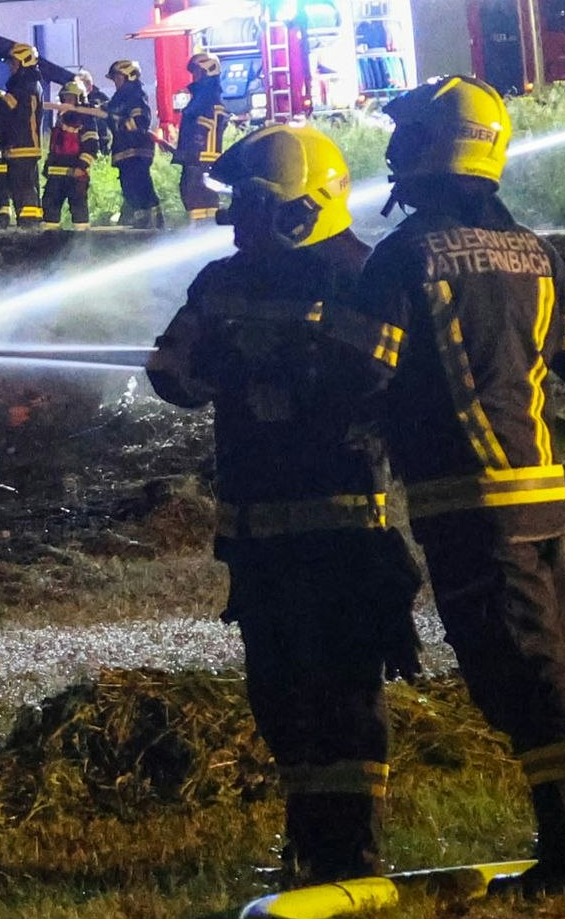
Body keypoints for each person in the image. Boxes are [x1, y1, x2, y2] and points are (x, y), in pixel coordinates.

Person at [347, 76, 565, 894]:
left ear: (440, 146)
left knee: (530, 681)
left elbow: (358, 380)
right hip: (538, 503)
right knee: (538, 672)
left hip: (468, 507)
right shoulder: (534, 255)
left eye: (407, 136)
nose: (394, 152)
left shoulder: (406, 258)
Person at [145, 123, 414, 879]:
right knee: (278, 690)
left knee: (346, 693)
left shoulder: (361, 276)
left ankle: (352, 852)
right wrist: (196, 371)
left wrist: (283, 377)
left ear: (300, 209)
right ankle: (306, 842)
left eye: (253, 205)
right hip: (256, 530)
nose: (239, 221)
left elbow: (373, 374)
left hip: (343, 525)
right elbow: (175, 369)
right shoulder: (221, 281)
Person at [0, 39, 45, 231]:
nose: (11, 67)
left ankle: (30, 230)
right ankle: (29, 228)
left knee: (24, 191)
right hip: (20, 147)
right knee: (22, 190)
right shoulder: (27, 84)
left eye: (13, 63)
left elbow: (4, 107)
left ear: (24, 62)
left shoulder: (24, 85)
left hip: (23, 147)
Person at [103, 58, 163, 228]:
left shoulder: (136, 96)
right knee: (129, 187)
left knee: (141, 186)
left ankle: (154, 224)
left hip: (137, 150)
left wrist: (115, 119)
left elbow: (139, 122)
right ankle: (141, 222)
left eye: (118, 78)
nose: (115, 82)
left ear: (130, 76)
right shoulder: (118, 99)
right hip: (125, 151)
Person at [172, 60, 233, 222]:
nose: (194, 76)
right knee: (193, 195)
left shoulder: (209, 100)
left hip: (202, 159)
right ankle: (201, 228)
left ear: (207, 72)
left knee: (198, 196)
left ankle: (205, 229)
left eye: (198, 72)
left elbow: (203, 128)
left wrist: (193, 151)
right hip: (197, 158)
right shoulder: (202, 98)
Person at [39, 82, 97, 228]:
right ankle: (49, 243)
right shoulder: (60, 119)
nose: (67, 102)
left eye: (71, 98)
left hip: (75, 174)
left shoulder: (86, 119)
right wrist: (48, 166)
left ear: (80, 100)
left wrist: (82, 166)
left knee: (79, 211)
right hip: (56, 174)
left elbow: (91, 146)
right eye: (65, 98)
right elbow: (55, 147)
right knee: (49, 210)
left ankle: (83, 244)